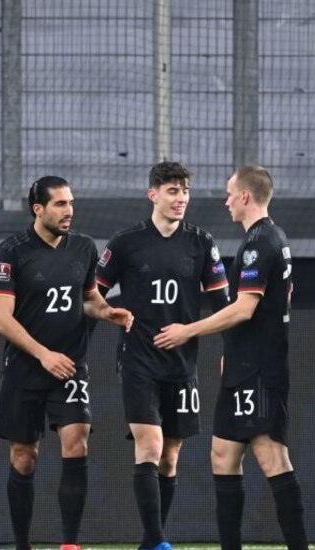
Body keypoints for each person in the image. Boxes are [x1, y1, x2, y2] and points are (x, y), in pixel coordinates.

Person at [153, 165, 308, 550]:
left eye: (229, 193)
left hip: (260, 369)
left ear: (244, 196)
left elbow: (243, 309)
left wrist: (187, 330)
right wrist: (232, 350)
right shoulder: (270, 237)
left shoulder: (260, 242)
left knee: (272, 457)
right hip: (243, 365)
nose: (224, 201)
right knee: (222, 454)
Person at [0, 176, 134, 550]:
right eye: (60, 204)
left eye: (71, 203)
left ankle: (69, 544)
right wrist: (42, 354)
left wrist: (107, 312)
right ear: (38, 209)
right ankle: (23, 545)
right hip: (26, 367)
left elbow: (87, 299)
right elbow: (2, 319)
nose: (69, 211)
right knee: (24, 457)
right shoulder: (13, 251)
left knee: (77, 440)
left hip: (70, 365)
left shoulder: (83, 247)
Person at [95, 162, 229, 550]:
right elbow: (93, 295)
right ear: (152, 194)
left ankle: (152, 539)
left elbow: (224, 304)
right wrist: (109, 313)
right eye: (172, 191)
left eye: (184, 191)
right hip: (138, 358)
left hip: (183, 364)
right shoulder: (125, 242)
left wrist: (228, 351)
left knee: (170, 456)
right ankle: (155, 540)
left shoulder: (201, 242)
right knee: (150, 446)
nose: (181, 198)